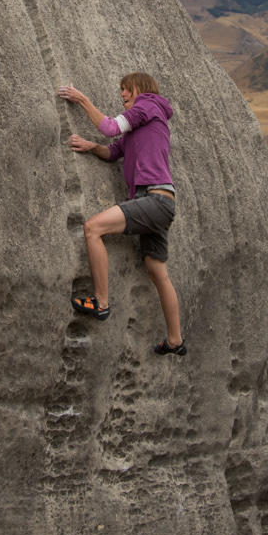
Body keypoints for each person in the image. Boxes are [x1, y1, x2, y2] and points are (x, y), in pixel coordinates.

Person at [57, 72, 185, 356]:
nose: (122, 94)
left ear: (141, 88)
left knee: (93, 229)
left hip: (153, 199)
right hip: (160, 203)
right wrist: (92, 148)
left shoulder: (149, 105)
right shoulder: (141, 125)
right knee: (156, 270)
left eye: (126, 89)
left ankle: (101, 302)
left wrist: (82, 99)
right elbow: (114, 151)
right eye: (121, 90)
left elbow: (110, 127)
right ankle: (176, 340)